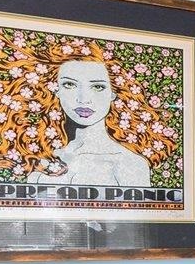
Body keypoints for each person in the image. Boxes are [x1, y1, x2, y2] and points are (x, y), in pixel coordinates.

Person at [30, 59, 151, 188]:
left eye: (98, 87)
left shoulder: (129, 163)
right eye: (69, 84)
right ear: (56, 90)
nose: (84, 99)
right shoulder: (44, 158)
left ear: (113, 93)